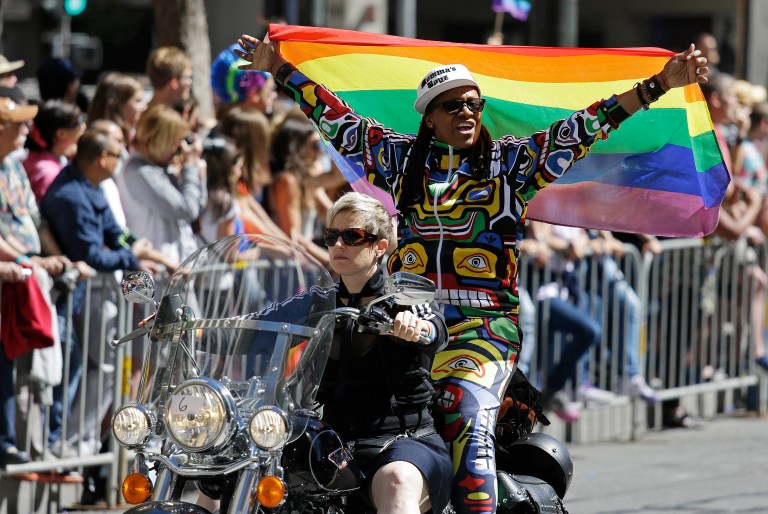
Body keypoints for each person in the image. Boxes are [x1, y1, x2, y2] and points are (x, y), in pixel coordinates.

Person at [236, 33, 708, 512]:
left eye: (473, 103)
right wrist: (278, 69)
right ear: (431, 118)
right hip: (403, 325)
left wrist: (658, 85)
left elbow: (589, 124)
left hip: (484, 329)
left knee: (462, 414)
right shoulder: (399, 162)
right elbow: (332, 116)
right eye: (452, 106)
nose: (466, 112)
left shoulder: (513, 164)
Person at [319, 191, 451, 514]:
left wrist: (413, 328)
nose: (339, 245)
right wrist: (201, 327)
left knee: (396, 481)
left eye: (352, 236)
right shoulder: (317, 302)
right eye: (332, 236)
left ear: (379, 247)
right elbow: (257, 325)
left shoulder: (404, 297)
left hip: (402, 441)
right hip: (334, 443)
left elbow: (437, 330)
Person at [117, 104, 205, 274]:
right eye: (174, 143)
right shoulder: (140, 171)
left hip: (176, 271)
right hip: (157, 275)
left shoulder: (159, 168)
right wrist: (190, 168)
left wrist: (198, 174)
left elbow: (197, 209)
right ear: (159, 140)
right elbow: (187, 210)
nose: (177, 150)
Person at [23, 99, 85, 203]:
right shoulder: (48, 173)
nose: (83, 127)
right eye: (78, 124)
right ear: (61, 133)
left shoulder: (38, 157)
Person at [86, 71, 147, 147]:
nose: (145, 107)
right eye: (138, 101)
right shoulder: (102, 143)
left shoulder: (136, 136)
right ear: (119, 105)